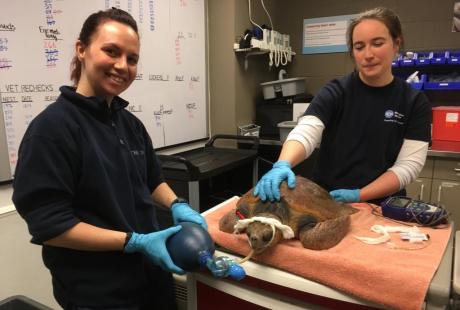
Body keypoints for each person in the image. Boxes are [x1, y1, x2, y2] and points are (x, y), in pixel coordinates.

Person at [12, 8, 207, 310]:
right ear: (81, 50)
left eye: (132, 59)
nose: (122, 66)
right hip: (100, 293)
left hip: (152, 279)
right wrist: (134, 242)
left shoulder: (129, 124)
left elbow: (151, 178)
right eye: (111, 51)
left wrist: (177, 205)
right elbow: (50, 227)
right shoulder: (51, 130)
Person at [254, 7, 431, 205]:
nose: (368, 54)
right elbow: (307, 130)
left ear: (396, 44)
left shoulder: (414, 102)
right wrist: (283, 163)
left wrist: (359, 195)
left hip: (382, 207)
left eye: (377, 43)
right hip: (327, 200)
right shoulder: (337, 91)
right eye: (359, 46)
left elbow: (408, 167)